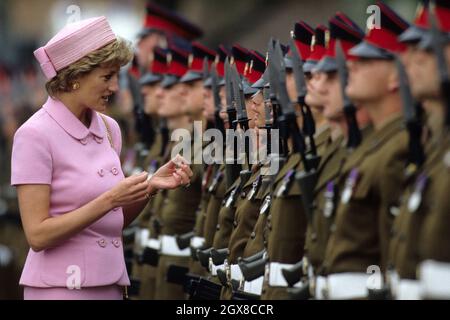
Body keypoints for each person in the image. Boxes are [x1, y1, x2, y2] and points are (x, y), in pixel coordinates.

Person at [10, 16, 192, 300]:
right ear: (74, 78)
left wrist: (150, 187)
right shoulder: (34, 135)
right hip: (61, 290)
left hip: (111, 284)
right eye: (107, 77)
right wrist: (110, 199)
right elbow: (38, 235)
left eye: (117, 76)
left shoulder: (109, 128)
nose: (116, 88)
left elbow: (111, 223)